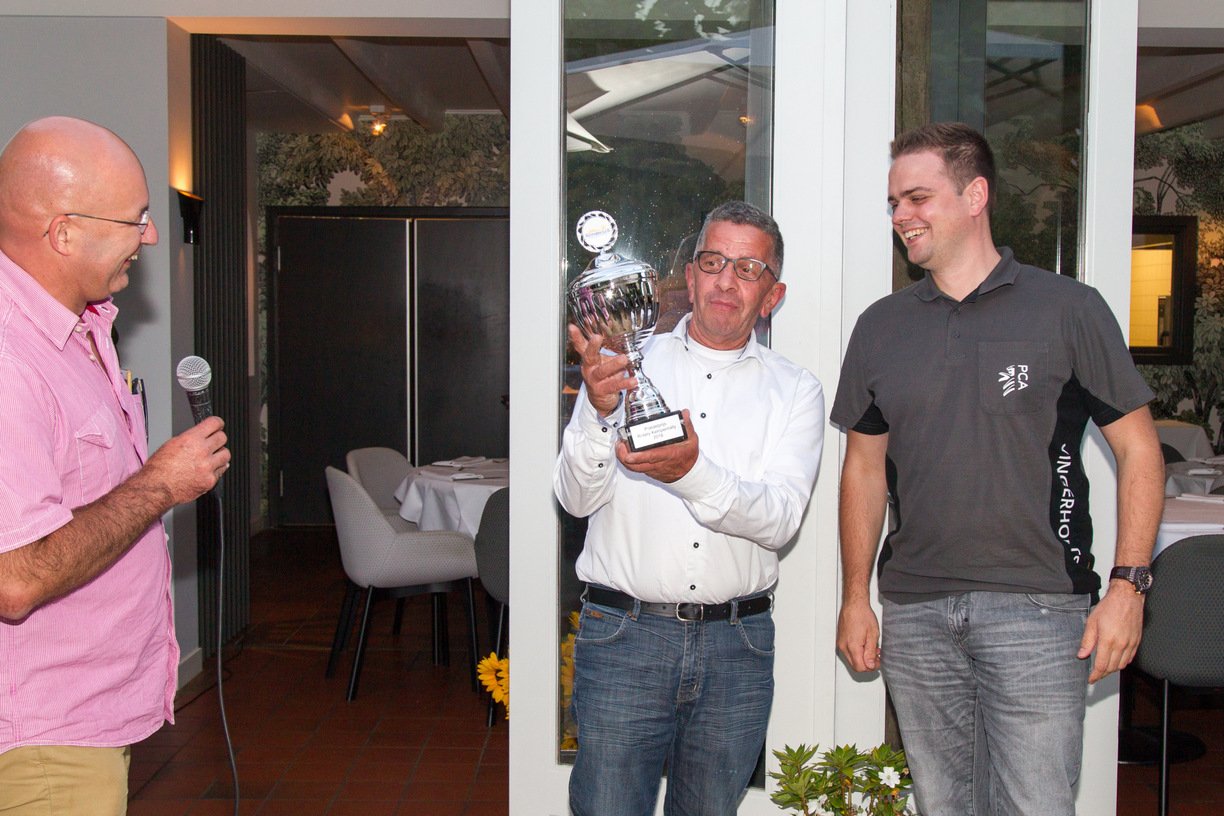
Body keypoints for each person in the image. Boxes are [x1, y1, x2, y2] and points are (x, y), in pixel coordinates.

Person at [831, 122, 1165, 815]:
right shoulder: (880, 327)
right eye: (893, 202)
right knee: (942, 805)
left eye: (917, 198)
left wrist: (1129, 587)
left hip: (1038, 608)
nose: (901, 216)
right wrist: (855, 596)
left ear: (975, 195)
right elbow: (863, 469)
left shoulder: (1069, 309)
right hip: (916, 611)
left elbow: (1140, 450)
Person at [555, 200, 825, 816]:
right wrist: (597, 411)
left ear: (772, 295)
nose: (726, 280)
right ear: (689, 276)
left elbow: (781, 518)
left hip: (738, 646)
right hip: (624, 638)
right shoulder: (623, 366)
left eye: (748, 268)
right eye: (712, 261)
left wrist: (691, 474)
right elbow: (574, 498)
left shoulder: (795, 390)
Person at [0, 116, 230, 814]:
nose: (152, 236)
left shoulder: (83, 329)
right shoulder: (10, 361)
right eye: (135, 218)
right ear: (64, 233)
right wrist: (158, 485)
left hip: (80, 724)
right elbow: (15, 578)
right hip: (42, 738)